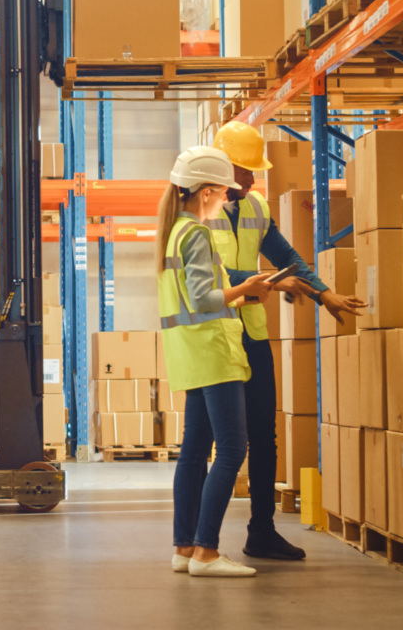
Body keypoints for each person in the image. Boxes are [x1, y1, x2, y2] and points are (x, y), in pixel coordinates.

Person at [210, 122, 366, 561]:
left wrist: (324, 293)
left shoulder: (255, 206)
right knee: (216, 443)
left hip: (252, 335)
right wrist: (274, 283)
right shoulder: (201, 210)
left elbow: (289, 259)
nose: (252, 180)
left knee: (265, 436)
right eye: (245, 171)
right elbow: (212, 278)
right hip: (214, 336)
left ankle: (261, 531)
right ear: (225, 167)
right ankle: (200, 543)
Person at [158, 145, 274, 577]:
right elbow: (206, 298)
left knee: (192, 453)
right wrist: (248, 289)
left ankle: (184, 548)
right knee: (231, 449)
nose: (229, 198)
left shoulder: (173, 232)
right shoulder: (198, 234)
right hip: (214, 349)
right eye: (224, 191)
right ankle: (207, 552)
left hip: (189, 351)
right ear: (206, 191)